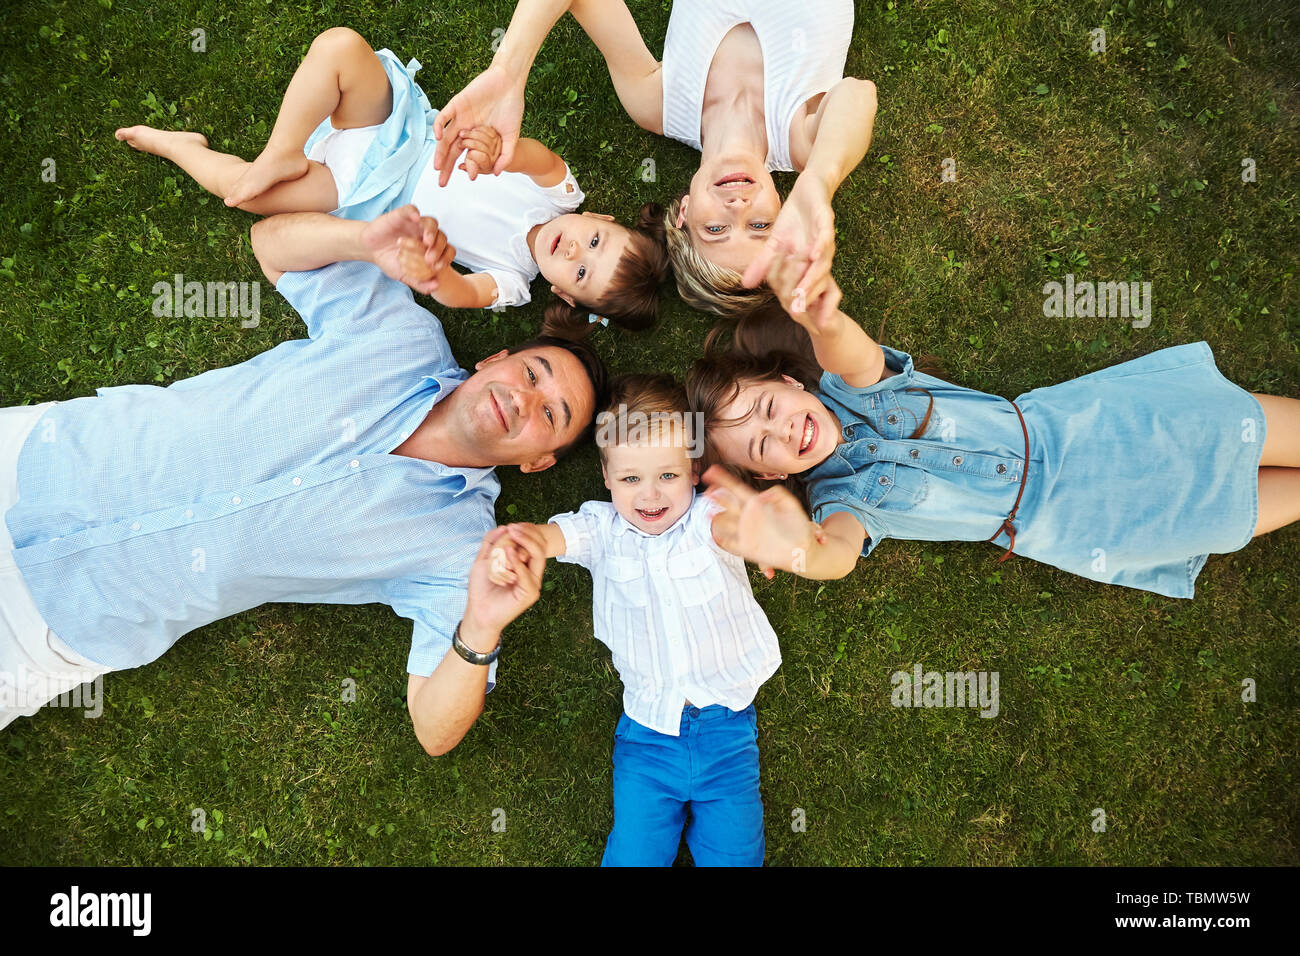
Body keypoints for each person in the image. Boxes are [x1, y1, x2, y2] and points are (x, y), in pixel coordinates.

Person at [0, 206, 607, 752]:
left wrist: (482, 627)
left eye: (552, 415)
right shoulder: (401, 337)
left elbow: (434, 728)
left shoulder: (460, 554)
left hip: (58, 627)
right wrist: (365, 241)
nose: (526, 400)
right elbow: (272, 245)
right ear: (495, 360)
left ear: (539, 462)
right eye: (534, 372)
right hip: (41, 458)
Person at [688, 242, 1300, 597]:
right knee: (1225, 518)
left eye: (769, 408)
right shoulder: (839, 502)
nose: (783, 430)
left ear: (791, 381)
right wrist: (800, 549)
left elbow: (848, 351)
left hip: (1083, 426)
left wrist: (822, 317)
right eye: (762, 447)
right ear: (766, 478)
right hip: (1069, 521)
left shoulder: (853, 389)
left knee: (1225, 423)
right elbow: (839, 551)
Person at [116, 27, 666, 329]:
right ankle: (282, 150)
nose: (574, 250)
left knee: (243, 194)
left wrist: (436, 276)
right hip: (398, 133)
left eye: (580, 273)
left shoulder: (516, 281)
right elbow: (536, 158)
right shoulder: (561, 197)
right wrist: (500, 151)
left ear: (567, 298)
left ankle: (176, 147)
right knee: (339, 47)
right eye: (594, 241)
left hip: (360, 197)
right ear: (599, 217)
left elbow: (466, 294)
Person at [488, 374, 779, 865]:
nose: (649, 496)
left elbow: (739, 526)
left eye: (667, 475)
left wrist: (761, 534)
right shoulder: (602, 528)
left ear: (692, 469)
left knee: (737, 855)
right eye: (630, 479)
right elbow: (559, 536)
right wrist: (529, 542)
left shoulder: (708, 517)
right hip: (647, 739)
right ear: (605, 476)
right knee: (634, 855)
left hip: (727, 732)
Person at [432, 0, 878, 318]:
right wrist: (819, 182)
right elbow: (859, 95)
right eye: (760, 226)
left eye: (717, 229)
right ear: (783, 209)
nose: (739, 210)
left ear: (683, 212)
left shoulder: (655, 105)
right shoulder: (802, 142)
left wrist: (507, 73)